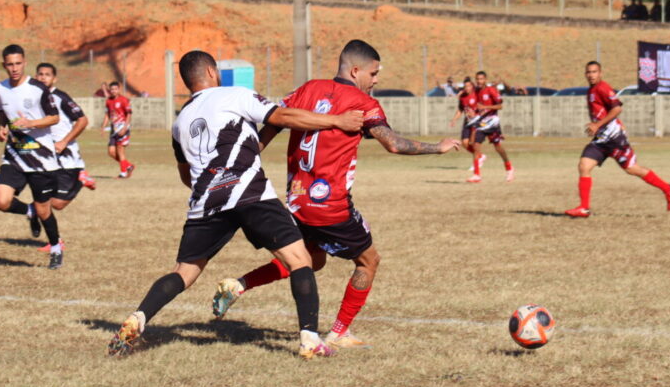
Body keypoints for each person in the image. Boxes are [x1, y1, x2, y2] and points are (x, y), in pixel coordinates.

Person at [107, 50, 365, 360]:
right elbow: (281, 117)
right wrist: (335, 120)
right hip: (249, 193)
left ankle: (139, 317)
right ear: (213, 72)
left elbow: (186, 175)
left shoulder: (180, 121)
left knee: (184, 273)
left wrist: (213, 186)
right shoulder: (234, 94)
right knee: (300, 260)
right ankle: (309, 338)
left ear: (188, 81)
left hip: (205, 202)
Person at [210, 40, 460, 349]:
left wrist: (247, 158)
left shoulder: (306, 89)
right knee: (368, 261)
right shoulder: (362, 104)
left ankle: (239, 285)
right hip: (330, 206)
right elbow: (394, 144)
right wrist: (438, 147)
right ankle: (339, 332)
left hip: (298, 200)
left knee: (312, 260)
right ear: (356, 71)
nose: (376, 80)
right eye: (374, 73)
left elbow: (274, 123)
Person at [565, 61, 670, 218]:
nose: (591, 75)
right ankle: (584, 208)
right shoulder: (591, 90)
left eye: (594, 72)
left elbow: (617, 108)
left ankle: (667, 188)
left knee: (632, 169)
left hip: (615, 140)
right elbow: (608, 111)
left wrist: (598, 124)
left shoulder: (603, 87)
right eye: (589, 72)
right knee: (584, 166)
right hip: (601, 140)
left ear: (600, 73)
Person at [0, 44, 65, 269]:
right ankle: (29, 210)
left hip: (40, 157)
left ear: (24, 63)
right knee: (1, 201)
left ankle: (55, 247)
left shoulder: (38, 88)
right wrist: (2, 128)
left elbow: (54, 118)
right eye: (9, 64)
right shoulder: (0, 89)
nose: (14, 68)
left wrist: (31, 122)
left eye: (18, 63)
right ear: (4, 65)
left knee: (45, 210)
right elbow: (2, 114)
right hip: (15, 153)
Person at [30, 62, 96, 252]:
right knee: (43, 200)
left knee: (56, 204)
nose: (43, 77)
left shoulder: (61, 98)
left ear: (54, 78)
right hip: (45, 158)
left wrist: (64, 141)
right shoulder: (34, 98)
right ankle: (55, 241)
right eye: (40, 74)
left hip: (66, 158)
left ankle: (81, 180)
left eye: (47, 75)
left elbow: (83, 120)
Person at [467, 71, 514, 183]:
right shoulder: (476, 91)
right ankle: (477, 175)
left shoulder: (491, 90)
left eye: (481, 79)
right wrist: (474, 113)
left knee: (498, 147)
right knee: (475, 146)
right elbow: (478, 107)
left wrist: (486, 106)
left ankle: (509, 168)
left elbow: (500, 106)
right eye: (477, 79)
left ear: (485, 80)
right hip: (482, 122)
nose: (479, 81)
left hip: (492, 122)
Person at [449, 78, 484, 173]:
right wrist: (454, 120)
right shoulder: (463, 97)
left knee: (474, 143)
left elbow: (484, 108)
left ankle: (476, 164)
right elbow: (460, 110)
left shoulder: (477, 95)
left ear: (472, 86)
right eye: (465, 86)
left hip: (477, 122)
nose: (467, 88)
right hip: (467, 122)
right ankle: (480, 156)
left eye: (469, 86)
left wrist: (476, 114)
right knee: (464, 143)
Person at [100, 81, 134, 178]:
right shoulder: (109, 101)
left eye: (115, 89)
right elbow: (107, 114)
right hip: (113, 129)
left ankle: (123, 173)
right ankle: (128, 166)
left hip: (122, 128)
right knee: (111, 152)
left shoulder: (124, 100)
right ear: (110, 90)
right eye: (112, 89)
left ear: (119, 89)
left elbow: (129, 114)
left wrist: (124, 127)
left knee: (120, 150)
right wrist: (103, 126)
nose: (114, 91)